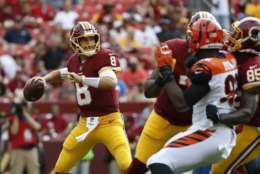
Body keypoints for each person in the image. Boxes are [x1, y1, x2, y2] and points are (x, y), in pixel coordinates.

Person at [27, 21, 132, 173]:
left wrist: (82, 79)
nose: (89, 43)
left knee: (126, 165)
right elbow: (61, 73)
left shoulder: (104, 56)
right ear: (75, 42)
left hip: (109, 121)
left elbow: (110, 82)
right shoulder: (73, 61)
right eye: (84, 39)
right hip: (85, 123)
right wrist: (44, 79)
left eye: (92, 39)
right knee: (60, 168)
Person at [126, 11, 217, 174]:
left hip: (194, 125)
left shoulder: (218, 59)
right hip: (164, 118)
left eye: (209, 36)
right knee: (138, 167)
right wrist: (162, 76)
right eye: (199, 35)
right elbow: (148, 91)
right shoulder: (174, 49)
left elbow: (183, 104)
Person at [147, 18, 238, 174]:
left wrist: (167, 73)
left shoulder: (207, 67)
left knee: (157, 161)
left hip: (209, 132)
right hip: (224, 132)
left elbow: (181, 105)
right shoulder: (228, 58)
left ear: (196, 39)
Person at [210, 17, 260, 174]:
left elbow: (247, 112)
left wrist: (218, 117)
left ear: (250, 39)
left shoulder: (252, 67)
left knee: (220, 169)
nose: (231, 37)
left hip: (255, 127)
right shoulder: (239, 60)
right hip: (247, 124)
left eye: (236, 34)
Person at [8, 101, 41, 174]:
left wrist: (25, 114)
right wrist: (17, 115)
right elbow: (14, 131)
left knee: (34, 171)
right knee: (16, 171)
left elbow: (37, 127)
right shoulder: (12, 119)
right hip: (18, 150)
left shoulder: (32, 117)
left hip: (31, 149)